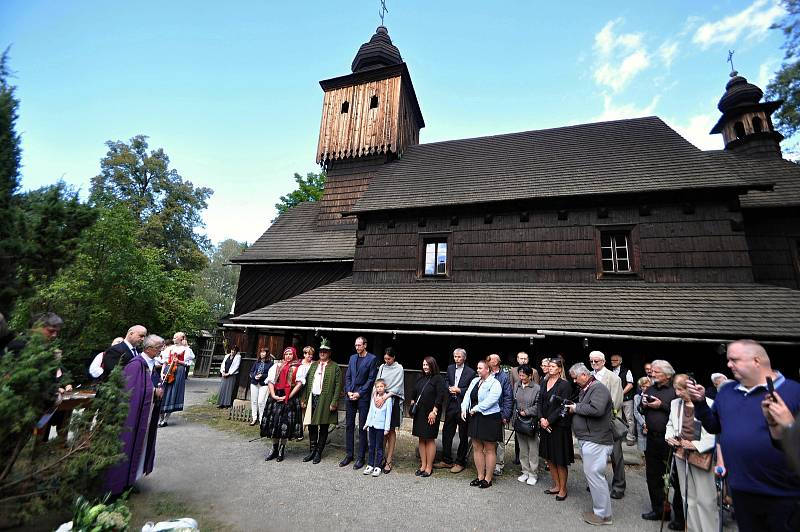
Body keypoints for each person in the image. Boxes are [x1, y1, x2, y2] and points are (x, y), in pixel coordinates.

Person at [687, 340, 800, 532]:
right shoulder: (727, 393)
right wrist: (699, 403)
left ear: (756, 361)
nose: (728, 365)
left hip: (784, 495)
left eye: (734, 360)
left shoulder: (794, 392)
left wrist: (788, 424)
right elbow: (714, 427)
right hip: (742, 490)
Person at [104, 334, 165, 496]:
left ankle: (131, 479)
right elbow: (131, 390)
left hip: (147, 413)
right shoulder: (136, 364)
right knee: (128, 445)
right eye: (159, 348)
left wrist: (158, 387)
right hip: (134, 416)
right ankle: (119, 484)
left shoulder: (150, 363)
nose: (161, 350)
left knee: (141, 446)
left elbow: (152, 382)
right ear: (149, 349)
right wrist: (153, 391)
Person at [665, 374, 718, 532]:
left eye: (680, 389)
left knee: (706, 499)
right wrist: (669, 437)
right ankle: (693, 528)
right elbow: (670, 424)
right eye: (675, 389)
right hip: (681, 453)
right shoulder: (676, 404)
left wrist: (695, 445)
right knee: (687, 497)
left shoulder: (709, 403)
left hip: (702, 455)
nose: (677, 393)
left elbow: (715, 433)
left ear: (690, 388)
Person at [566, 363, 614, 526]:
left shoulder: (598, 388)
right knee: (593, 475)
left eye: (575, 378)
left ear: (584, 375)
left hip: (596, 439)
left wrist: (576, 408)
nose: (574, 381)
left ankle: (603, 515)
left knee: (595, 475)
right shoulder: (588, 388)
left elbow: (597, 410)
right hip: (590, 438)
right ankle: (601, 512)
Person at [640, 359, 678, 521]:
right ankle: (660, 510)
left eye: (656, 372)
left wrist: (661, 405)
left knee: (674, 477)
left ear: (668, 375)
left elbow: (679, 413)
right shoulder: (650, 388)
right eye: (652, 371)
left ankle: (680, 515)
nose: (652, 374)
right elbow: (641, 410)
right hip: (652, 438)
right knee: (653, 476)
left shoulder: (675, 391)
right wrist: (642, 404)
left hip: (669, 440)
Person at [589, 351, 626, 499]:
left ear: (604, 362)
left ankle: (619, 486)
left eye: (596, 361)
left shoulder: (613, 378)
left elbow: (616, 402)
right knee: (597, 455)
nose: (594, 364)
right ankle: (597, 483)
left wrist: (605, 418)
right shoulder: (590, 376)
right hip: (593, 422)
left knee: (616, 456)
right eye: (591, 361)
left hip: (609, 422)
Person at [461, 359, 503, 489]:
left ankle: (488, 478)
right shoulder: (475, 381)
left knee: (489, 448)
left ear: (488, 370)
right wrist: (464, 408)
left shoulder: (495, 383)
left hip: (489, 418)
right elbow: (467, 395)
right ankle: (480, 476)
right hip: (474, 417)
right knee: (477, 446)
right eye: (477, 368)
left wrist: (477, 408)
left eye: (480, 368)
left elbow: (492, 399)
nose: (478, 370)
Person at [434, 347, 475, 474]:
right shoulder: (450, 368)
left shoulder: (471, 372)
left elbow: (471, 388)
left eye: (459, 357)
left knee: (463, 434)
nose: (456, 359)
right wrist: (449, 387)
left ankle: (460, 462)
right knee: (447, 431)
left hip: (463, 405)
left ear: (464, 358)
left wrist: (460, 390)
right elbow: (446, 380)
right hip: (451, 403)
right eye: (455, 357)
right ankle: (446, 460)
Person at [538, 356, 574, 500]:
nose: (550, 368)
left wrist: (549, 421)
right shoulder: (544, 381)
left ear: (559, 369)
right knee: (549, 457)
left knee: (559, 459)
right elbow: (539, 400)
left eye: (553, 366)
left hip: (558, 427)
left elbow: (563, 407)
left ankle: (563, 489)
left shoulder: (564, 385)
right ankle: (556, 485)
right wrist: (541, 418)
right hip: (544, 425)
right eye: (549, 366)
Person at [301, 338, 341, 464]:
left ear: (329, 353)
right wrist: (304, 398)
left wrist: (334, 402)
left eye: (325, 351)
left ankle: (319, 452)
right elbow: (307, 383)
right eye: (321, 351)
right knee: (312, 425)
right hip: (313, 397)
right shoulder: (313, 365)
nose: (322, 353)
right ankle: (312, 451)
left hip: (326, 400)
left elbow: (338, 386)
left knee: (323, 426)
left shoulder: (335, 367)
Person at [262, 346, 305, 462]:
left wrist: (288, 396)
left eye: (290, 354)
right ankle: (274, 448)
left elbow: (299, 383)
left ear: (294, 355)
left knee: (284, 425)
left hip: (290, 396)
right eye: (286, 354)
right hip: (275, 396)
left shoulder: (298, 367)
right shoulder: (277, 365)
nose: (288, 356)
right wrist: (273, 395)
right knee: (274, 423)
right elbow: (271, 381)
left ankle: (282, 449)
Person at [340, 336, 378, 470]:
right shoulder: (352, 358)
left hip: (363, 397)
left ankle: (361, 457)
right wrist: (349, 391)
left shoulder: (372, 359)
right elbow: (348, 376)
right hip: (350, 395)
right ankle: (349, 454)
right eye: (356, 345)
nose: (357, 347)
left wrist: (359, 393)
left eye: (359, 345)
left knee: (362, 426)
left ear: (365, 345)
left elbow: (371, 379)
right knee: (349, 425)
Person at [409, 356, 446, 477]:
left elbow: (440, 396)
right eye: (424, 364)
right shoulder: (420, 377)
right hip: (419, 412)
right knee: (421, 438)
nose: (425, 367)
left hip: (431, 413)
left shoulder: (438, 378)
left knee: (429, 438)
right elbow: (414, 392)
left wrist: (434, 411)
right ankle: (423, 465)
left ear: (432, 365)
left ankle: (429, 467)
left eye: (427, 365)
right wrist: (412, 402)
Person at [375, 346, 404, 473]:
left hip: (392, 401)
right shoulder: (382, 367)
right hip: (381, 399)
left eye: (389, 359)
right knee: (381, 429)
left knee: (391, 430)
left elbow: (397, 386)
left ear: (394, 357)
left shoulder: (399, 368)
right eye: (385, 359)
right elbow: (377, 383)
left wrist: (385, 396)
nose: (387, 361)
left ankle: (389, 459)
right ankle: (381, 457)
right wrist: (377, 397)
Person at [158, 332, 195, 427]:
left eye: (176, 337)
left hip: (179, 371)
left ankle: (166, 419)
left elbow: (188, 363)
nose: (174, 339)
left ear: (182, 339)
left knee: (173, 393)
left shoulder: (186, 350)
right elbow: (165, 362)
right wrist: (162, 373)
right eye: (173, 337)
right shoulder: (170, 349)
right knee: (163, 392)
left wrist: (179, 361)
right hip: (168, 371)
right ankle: (161, 417)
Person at [513, 364, 540, 486]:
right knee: (522, 449)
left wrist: (527, 412)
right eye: (520, 374)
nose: (521, 377)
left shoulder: (537, 388)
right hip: (519, 421)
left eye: (524, 375)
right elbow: (514, 402)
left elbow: (538, 405)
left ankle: (533, 473)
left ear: (530, 375)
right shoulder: (517, 385)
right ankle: (525, 471)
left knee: (533, 449)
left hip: (531, 422)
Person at [487, 353, 513, 475]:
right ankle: (487, 462)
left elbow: (508, 397)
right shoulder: (486, 374)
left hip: (498, 412)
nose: (488, 361)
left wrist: (506, 415)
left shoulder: (503, 377)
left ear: (496, 362)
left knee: (499, 440)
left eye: (490, 359)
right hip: (485, 412)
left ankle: (498, 464)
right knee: (486, 438)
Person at [362, 378, 393, 477]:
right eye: (377, 387)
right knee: (371, 445)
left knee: (379, 447)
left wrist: (386, 428)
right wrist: (367, 423)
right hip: (372, 425)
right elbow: (371, 411)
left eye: (381, 386)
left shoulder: (388, 399)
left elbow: (388, 415)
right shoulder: (374, 398)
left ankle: (378, 466)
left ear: (385, 387)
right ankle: (370, 464)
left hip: (380, 427)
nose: (379, 389)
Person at [610, 354, 636, 446]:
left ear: (620, 361)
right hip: (616, 400)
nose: (613, 362)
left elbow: (630, 384)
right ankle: (618, 436)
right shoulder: (610, 371)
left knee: (629, 419)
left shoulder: (626, 371)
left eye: (615, 360)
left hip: (626, 399)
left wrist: (620, 393)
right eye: (612, 360)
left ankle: (630, 437)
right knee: (617, 418)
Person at [248, 347, 273, 426]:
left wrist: (262, 375)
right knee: (254, 401)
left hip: (263, 384)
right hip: (254, 383)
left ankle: (262, 419)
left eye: (264, 352)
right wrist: (254, 376)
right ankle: (254, 418)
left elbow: (270, 375)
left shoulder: (270, 363)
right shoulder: (257, 362)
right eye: (261, 352)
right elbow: (251, 372)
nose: (262, 354)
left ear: (267, 353)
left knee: (261, 401)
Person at [633, 376, 651, 452]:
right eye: (643, 386)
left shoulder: (653, 397)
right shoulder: (637, 397)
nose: (645, 388)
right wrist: (643, 423)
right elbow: (636, 412)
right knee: (642, 447)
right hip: (641, 424)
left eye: (647, 386)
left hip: (651, 423)